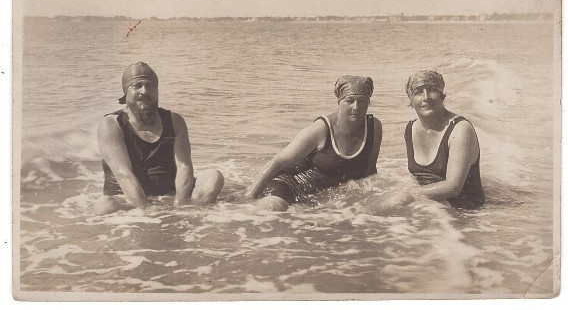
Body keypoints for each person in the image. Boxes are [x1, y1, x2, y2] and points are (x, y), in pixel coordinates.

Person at [93, 62, 224, 215]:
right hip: (129, 199)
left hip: (170, 196)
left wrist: (181, 207)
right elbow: (124, 174)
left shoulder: (175, 121)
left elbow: (184, 167)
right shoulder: (111, 124)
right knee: (104, 206)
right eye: (137, 85)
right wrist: (148, 213)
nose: (145, 91)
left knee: (213, 177)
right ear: (125, 91)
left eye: (151, 86)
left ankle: (191, 212)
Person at [245, 75, 382, 211]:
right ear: (339, 102)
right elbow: (277, 162)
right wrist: (249, 196)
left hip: (316, 196)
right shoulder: (321, 128)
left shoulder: (373, 127)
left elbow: (369, 172)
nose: (356, 107)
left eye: (362, 101)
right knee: (269, 212)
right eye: (349, 100)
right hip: (290, 185)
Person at [372, 70, 485, 214]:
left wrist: (408, 196)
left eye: (432, 90)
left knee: (405, 210)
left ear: (442, 96)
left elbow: (453, 187)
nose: (426, 97)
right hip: (430, 201)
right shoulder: (410, 129)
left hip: (465, 208)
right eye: (418, 92)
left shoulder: (460, 130)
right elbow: (418, 177)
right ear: (411, 100)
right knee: (376, 206)